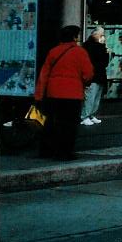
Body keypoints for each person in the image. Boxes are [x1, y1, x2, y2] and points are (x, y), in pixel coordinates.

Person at [35, 25, 94, 160]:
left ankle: (46, 150)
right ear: (74, 37)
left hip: (53, 93)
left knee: (51, 122)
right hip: (72, 94)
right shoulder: (80, 52)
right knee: (69, 125)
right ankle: (65, 152)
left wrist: (39, 96)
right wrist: (85, 83)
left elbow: (44, 75)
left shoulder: (53, 52)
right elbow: (88, 74)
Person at [80, 27, 108, 126]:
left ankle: (91, 114)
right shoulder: (89, 46)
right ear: (95, 34)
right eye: (101, 34)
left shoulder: (99, 46)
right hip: (93, 76)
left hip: (99, 75)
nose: (102, 37)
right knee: (90, 97)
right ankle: (85, 116)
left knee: (96, 97)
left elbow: (105, 62)